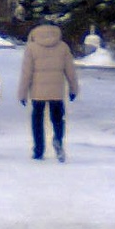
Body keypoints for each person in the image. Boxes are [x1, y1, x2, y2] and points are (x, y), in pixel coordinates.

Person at [17, 21, 79, 162]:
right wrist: (73, 88)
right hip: (56, 91)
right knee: (57, 118)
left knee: (37, 120)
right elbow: (70, 71)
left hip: (38, 92)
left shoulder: (31, 48)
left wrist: (22, 93)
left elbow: (26, 73)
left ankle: (39, 149)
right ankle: (58, 139)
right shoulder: (63, 47)